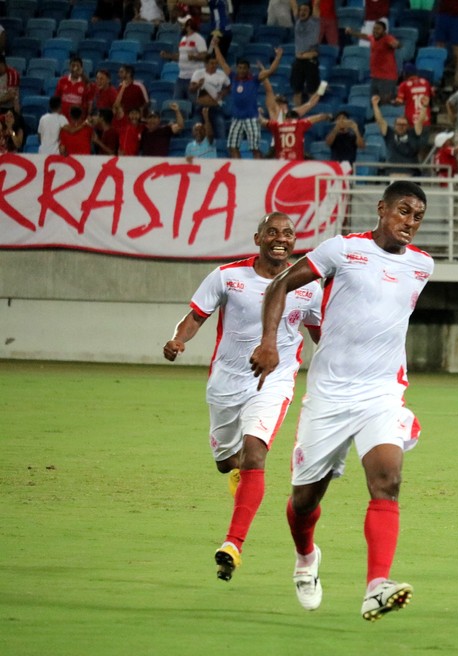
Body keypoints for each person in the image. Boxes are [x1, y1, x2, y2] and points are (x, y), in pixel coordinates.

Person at [249, 180, 433, 621]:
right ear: (382, 209)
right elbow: (278, 285)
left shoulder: (423, 265)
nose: (410, 223)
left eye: (418, 216)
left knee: (387, 478)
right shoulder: (341, 250)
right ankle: (307, 556)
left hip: (382, 392)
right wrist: (270, 341)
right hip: (330, 394)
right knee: (305, 501)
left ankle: (376, 587)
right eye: (403, 211)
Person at [164, 213, 323, 583]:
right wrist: (178, 340)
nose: (281, 238)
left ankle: (233, 544)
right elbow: (196, 316)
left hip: (274, 381)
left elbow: (319, 332)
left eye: (288, 233)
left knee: (256, 451)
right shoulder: (228, 276)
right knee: (226, 462)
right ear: (258, 238)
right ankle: (239, 477)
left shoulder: (309, 285)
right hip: (225, 382)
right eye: (273, 232)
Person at [213, 36, 283, 159]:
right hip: (236, 119)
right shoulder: (233, 77)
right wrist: (215, 46)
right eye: (239, 67)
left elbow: (271, 71)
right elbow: (221, 61)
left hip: (251, 118)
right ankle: (240, 170)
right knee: (232, 147)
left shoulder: (255, 79)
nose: (242, 70)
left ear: (248, 69)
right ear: (237, 68)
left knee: (255, 148)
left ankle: (257, 171)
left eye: (244, 68)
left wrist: (278, 56)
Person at [346, 22, 399, 103]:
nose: (375, 31)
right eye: (374, 28)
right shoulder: (373, 38)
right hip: (375, 78)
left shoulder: (387, 38)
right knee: (374, 104)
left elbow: (395, 43)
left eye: (378, 29)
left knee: (385, 104)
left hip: (387, 79)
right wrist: (352, 33)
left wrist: (396, 44)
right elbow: (365, 36)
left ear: (384, 31)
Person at [372, 94, 425, 175]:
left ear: (407, 126)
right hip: (392, 171)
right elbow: (380, 120)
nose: (401, 127)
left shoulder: (413, 134)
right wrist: (375, 105)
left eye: (404, 125)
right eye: (399, 124)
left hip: (410, 172)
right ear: (394, 125)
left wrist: (424, 106)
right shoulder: (389, 134)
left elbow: (420, 121)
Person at [163, 14, 209, 101]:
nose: (180, 26)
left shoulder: (198, 38)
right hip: (181, 77)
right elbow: (181, 56)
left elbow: (205, 56)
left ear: (188, 25)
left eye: (182, 24)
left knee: (194, 103)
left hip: (193, 77)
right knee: (176, 102)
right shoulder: (183, 39)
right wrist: (168, 56)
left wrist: (194, 57)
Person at [263, 107, 332, 160]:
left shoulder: (277, 125)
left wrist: (256, 113)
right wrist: (328, 116)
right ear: (297, 119)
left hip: (280, 163)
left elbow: (262, 121)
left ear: (286, 118)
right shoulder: (300, 124)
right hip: (296, 163)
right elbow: (319, 117)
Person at [189, 53, 231, 141]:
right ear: (206, 64)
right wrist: (198, 85)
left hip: (216, 107)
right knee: (196, 129)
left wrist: (223, 93)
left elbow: (229, 86)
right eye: (212, 63)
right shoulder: (198, 73)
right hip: (200, 107)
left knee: (220, 128)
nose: (214, 65)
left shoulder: (222, 74)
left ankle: (221, 152)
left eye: (216, 63)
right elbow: (191, 89)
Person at [290, 0, 322, 107]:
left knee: (311, 91)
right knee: (297, 90)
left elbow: (316, 3)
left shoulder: (314, 21)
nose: (302, 12)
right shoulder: (297, 20)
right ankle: (296, 116)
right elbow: (293, 3)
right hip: (298, 61)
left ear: (310, 12)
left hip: (310, 61)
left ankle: (311, 114)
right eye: (301, 10)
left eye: (305, 10)